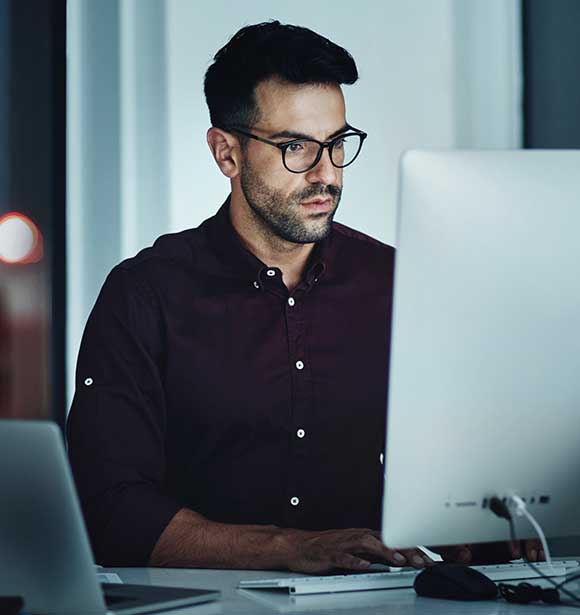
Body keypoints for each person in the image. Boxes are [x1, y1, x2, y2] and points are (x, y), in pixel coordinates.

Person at [67, 21, 542, 572]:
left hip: (382, 604)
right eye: (296, 146)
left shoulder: (401, 284)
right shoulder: (144, 295)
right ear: (226, 153)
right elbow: (111, 508)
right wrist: (288, 549)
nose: (327, 175)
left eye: (338, 144)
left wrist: (492, 529)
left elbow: (464, 472)